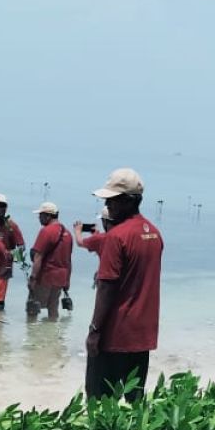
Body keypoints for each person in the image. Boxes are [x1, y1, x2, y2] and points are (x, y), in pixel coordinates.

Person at [86, 168, 163, 401]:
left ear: (127, 201)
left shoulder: (116, 237)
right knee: (134, 401)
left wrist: (95, 331)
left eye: (111, 200)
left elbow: (107, 287)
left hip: (115, 334)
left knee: (99, 399)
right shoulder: (155, 234)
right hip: (143, 334)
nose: (107, 205)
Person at [27, 202, 73, 321]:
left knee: (32, 309)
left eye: (41, 215)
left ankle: (32, 337)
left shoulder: (46, 231)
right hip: (60, 279)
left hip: (46, 277)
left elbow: (38, 257)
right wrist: (67, 281)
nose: (39, 218)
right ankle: (52, 336)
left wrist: (33, 278)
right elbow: (68, 261)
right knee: (53, 310)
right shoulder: (68, 234)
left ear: (47, 216)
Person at [0, 194, 26, 310]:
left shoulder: (11, 226)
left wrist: (10, 254)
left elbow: (22, 247)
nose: (0, 208)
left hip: (2, 269)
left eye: (3, 205)